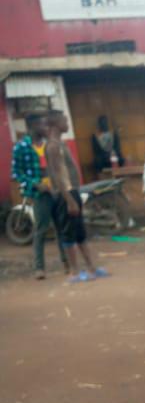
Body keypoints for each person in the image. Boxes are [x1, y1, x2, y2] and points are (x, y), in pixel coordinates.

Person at [46, 110, 106, 283]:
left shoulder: (60, 144)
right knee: (68, 234)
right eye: (64, 120)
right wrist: (69, 200)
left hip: (73, 193)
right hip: (65, 195)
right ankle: (73, 272)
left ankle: (92, 268)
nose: (67, 123)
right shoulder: (53, 146)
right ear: (56, 123)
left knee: (80, 233)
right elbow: (57, 176)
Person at [11, 112, 68, 279]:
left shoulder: (50, 144)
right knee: (41, 230)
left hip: (57, 191)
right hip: (40, 194)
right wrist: (35, 184)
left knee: (61, 228)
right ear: (32, 126)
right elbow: (16, 173)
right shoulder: (21, 147)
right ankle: (39, 268)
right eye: (42, 125)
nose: (45, 128)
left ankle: (67, 263)